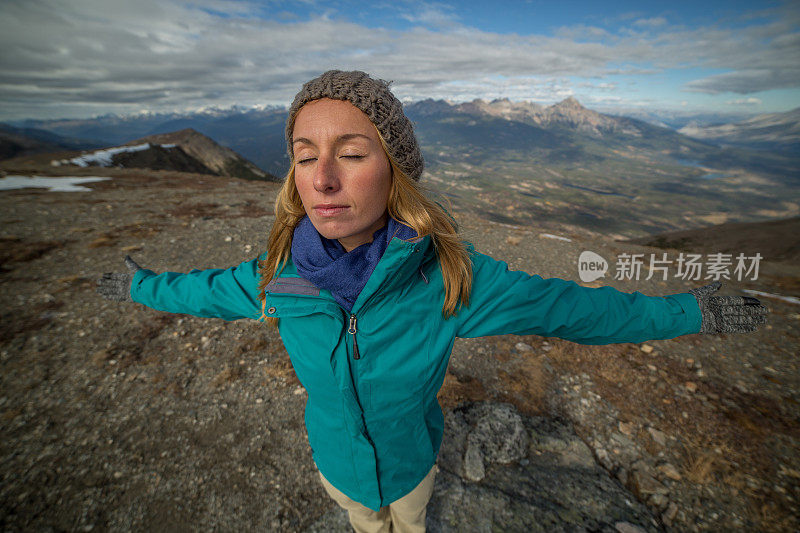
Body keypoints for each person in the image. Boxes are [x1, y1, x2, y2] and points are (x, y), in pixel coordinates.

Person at [97, 70, 769, 533]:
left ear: (395, 172)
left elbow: (581, 310)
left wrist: (693, 310)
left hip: (415, 464)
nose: (323, 178)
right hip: (337, 465)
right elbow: (197, 291)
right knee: (365, 522)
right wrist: (133, 282)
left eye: (352, 153)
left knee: (409, 521)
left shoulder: (449, 277)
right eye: (305, 156)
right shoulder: (275, 278)